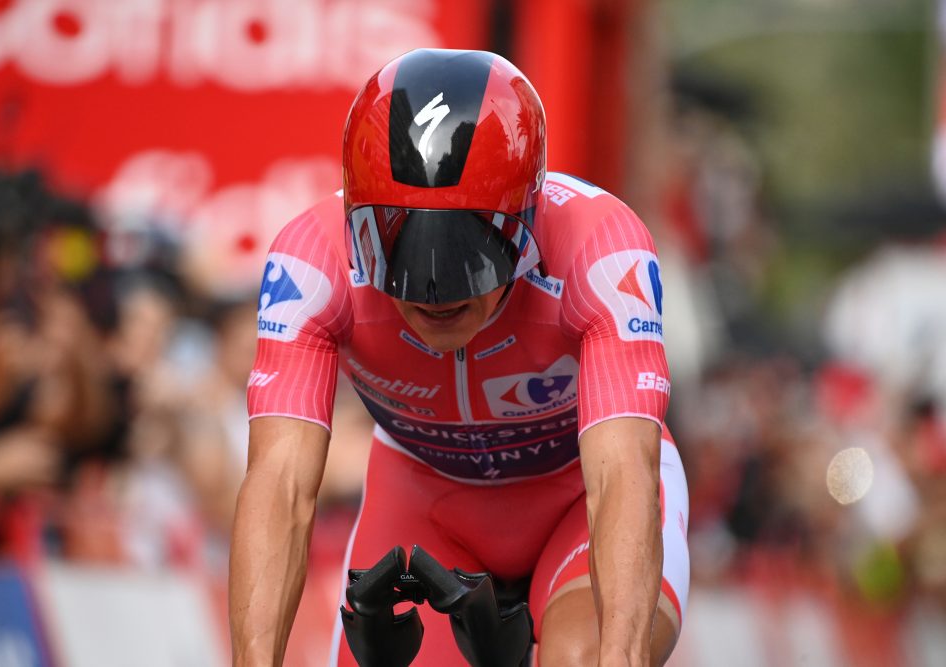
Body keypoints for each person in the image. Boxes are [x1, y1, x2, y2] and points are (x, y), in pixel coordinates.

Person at [229, 48, 689, 666]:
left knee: (582, 658)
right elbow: (280, 487)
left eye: (469, 251)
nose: (434, 289)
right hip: (427, 502)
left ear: (527, 219)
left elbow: (620, 479)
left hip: (580, 497)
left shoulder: (601, 247)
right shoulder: (311, 260)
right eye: (399, 248)